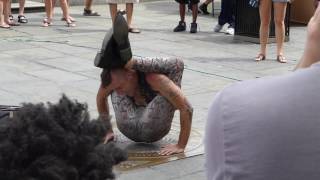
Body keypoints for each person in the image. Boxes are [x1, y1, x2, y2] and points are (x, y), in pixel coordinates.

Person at [205, 5, 320, 180]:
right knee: (264, 20)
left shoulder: (231, 105)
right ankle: (263, 50)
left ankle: (280, 50)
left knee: (278, 20)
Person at [95, 13, 193, 156]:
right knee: (112, 85)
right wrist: (108, 130)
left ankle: (133, 62)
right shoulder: (115, 79)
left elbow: (187, 108)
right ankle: (127, 59)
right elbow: (100, 97)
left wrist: (180, 145)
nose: (118, 92)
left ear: (130, 74)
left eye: (120, 87)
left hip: (153, 128)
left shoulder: (155, 80)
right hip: (128, 126)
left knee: (176, 65)